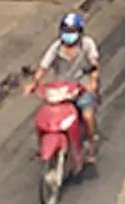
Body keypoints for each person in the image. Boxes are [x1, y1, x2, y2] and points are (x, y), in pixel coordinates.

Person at [24, 13, 100, 161]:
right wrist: (34, 83)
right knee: (46, 117)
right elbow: (43, 67)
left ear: (79, 32)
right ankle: (43, 147)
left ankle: (91, 146)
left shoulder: (87, 44)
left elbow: (94, 64)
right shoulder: (56, 47)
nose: (69, 35)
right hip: (61, 89)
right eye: (66, 31)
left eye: (72, 31)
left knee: (87, 115)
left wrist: (92, 83)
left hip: (81, 88)